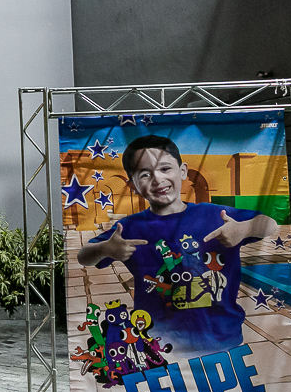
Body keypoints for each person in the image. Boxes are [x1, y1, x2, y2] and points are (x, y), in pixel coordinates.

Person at [76, 134, 278, 352]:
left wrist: (244, 228)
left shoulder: (215, 215)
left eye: (165, 169)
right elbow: (83, 256)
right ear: (133, 185)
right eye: (145, 174)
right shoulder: (129, 228)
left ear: (182, 171)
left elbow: (270, 224)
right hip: (160, 344)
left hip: (222, 339)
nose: (157, 179)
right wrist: (105, 248)